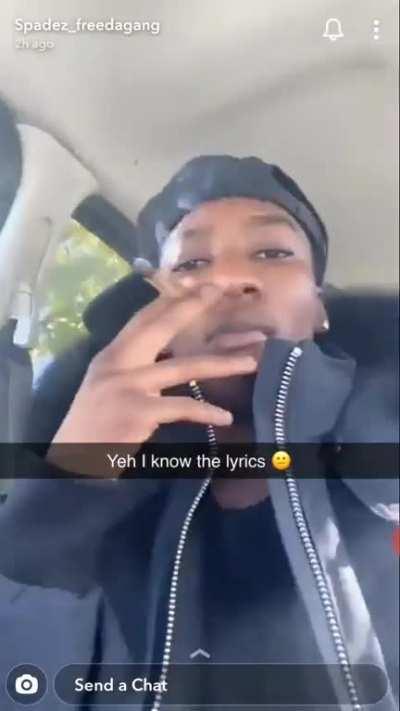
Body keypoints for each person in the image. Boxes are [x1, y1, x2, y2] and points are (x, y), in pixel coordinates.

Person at [0, 155, 398, 711]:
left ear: (319, 309)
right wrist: (68, 483)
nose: (228, 278)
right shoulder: (109, 532)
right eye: (190, 264)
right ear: (157, 322)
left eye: (273, 253)